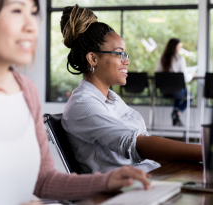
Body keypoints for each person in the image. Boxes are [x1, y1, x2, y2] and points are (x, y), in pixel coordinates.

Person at [0, 1, 151, 205]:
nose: (31, 25)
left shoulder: (26, 90)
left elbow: (43, 180)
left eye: (32, 12)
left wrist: (106, 182)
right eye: (16, 10)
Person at [60, 5, 202, 174]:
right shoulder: (82, 104)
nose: (126, 61)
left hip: (151, 175)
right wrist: (208, 152)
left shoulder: (111, 98)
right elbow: (137, 145)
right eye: (119, 53)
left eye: (125, 54)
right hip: (129, 190)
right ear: (93, 58)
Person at [155, 38, 191, 126]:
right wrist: (192, 75)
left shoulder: (161, 59)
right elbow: (184, 78)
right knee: (189, 97)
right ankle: (177, 113)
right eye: (179, 47)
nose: (180, 49)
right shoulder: (179, 59)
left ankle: (176, 114)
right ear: (174, 47)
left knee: (178, 93)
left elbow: (157, 74)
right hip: (177, 91)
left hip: (164, 92)